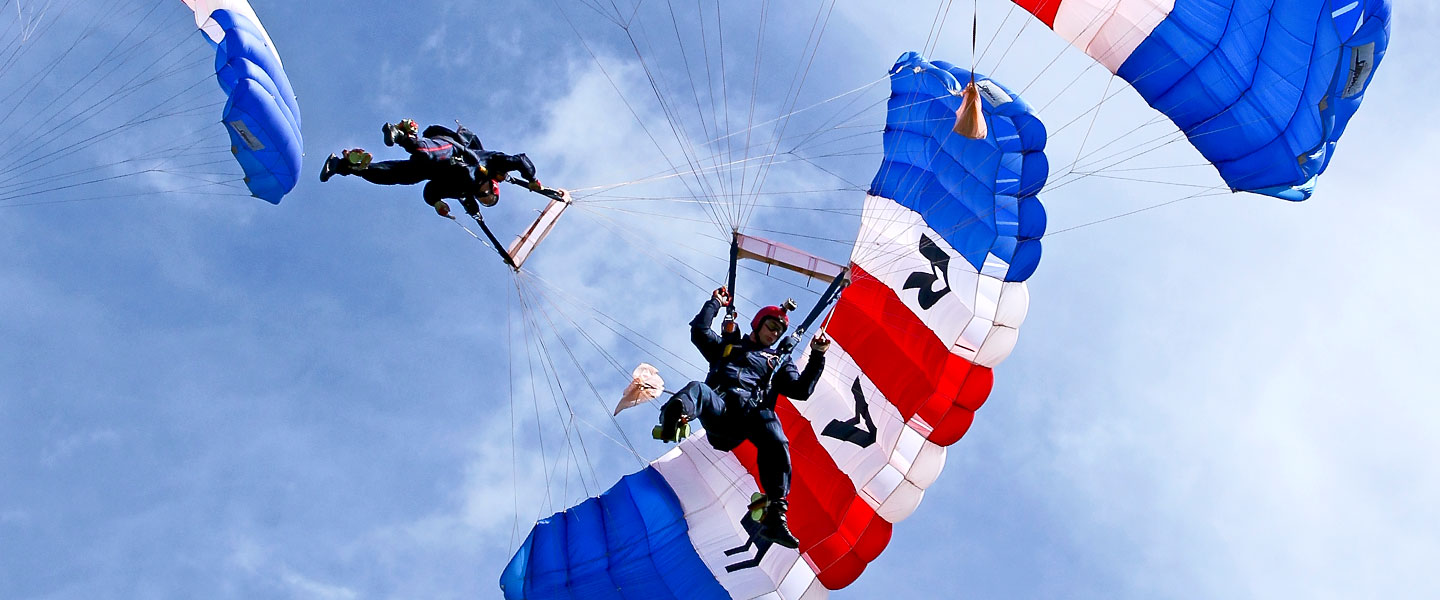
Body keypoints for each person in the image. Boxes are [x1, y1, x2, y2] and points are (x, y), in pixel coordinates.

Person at [657, 286, 832, 549]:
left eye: (778, 331)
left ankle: (775, 515)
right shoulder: (729, 347)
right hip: (722, 413)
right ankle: (674, 416)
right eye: (771, 326)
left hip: (751, 417)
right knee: (698, 389)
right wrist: (714, 304)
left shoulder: (779, 362)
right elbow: (699, 332)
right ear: (759, 323)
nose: (774, 334)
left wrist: (817, 356)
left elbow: (801, 390)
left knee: (774, 433)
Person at [318, 119, 546, 218]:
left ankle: (346, 166)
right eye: (488, 194)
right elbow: (520, 160)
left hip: (431, 169)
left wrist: (437, 204)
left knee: (395, 176)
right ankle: (402, 135)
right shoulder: (491, 164)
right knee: (427, 153)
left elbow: (430, 191)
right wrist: (532, 179)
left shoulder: (461, 192)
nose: (482, 194)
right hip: (452, 151)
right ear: (493, 185)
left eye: (482, 199)